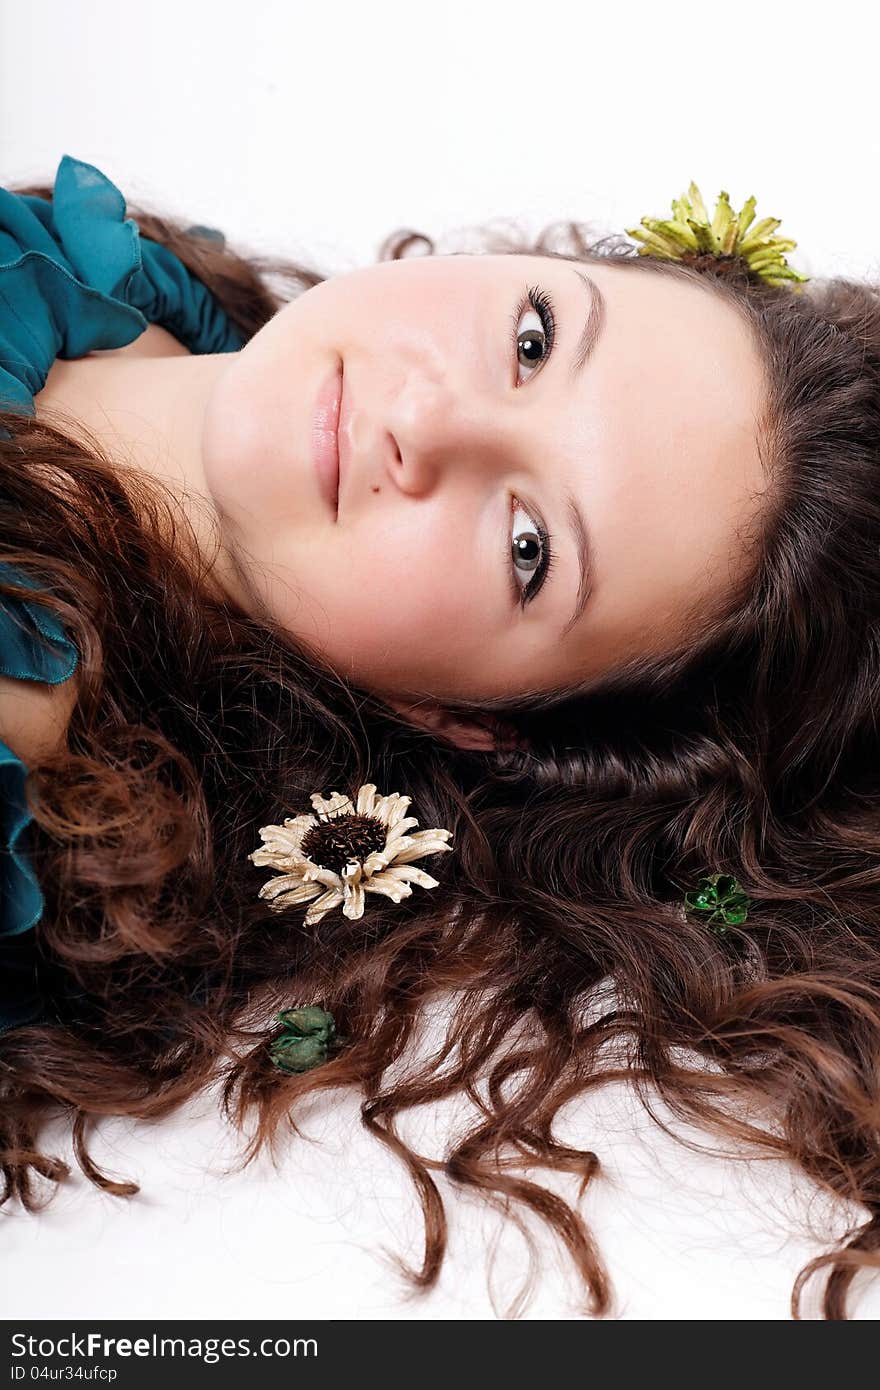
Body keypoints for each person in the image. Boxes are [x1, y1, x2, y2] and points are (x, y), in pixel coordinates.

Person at [1, 156, 878, 1321]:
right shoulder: (130, 284)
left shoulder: (28, 689)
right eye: (531, 339)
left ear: (464, 719)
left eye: (528, 548)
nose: (425, 416)